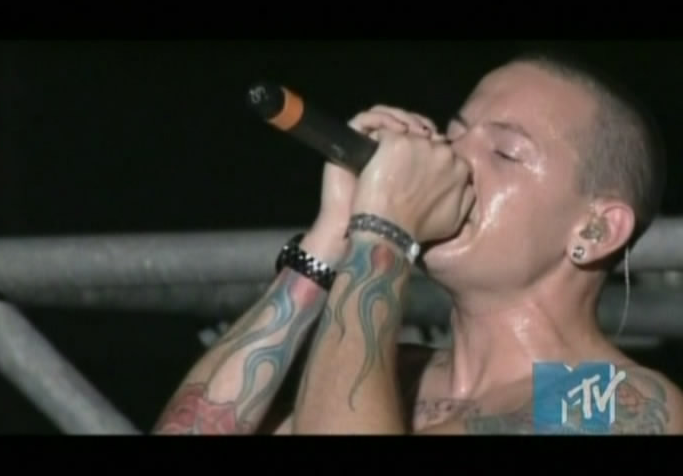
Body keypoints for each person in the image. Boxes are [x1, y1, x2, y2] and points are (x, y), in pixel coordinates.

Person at [153, 50, 683, 435]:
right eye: (455, 132)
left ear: (594, 230)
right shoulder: (396, 374)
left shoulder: (615, 400)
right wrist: (331, 238)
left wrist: (383, 228)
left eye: (504, 153)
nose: (451, 156)